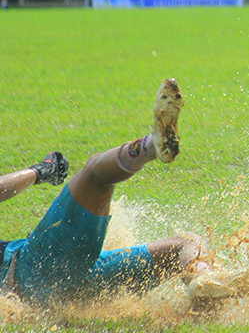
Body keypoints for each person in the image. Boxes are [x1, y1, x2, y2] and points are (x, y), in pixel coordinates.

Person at [0, 79, 229, 304]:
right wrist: (40, 171)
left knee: (184, 244)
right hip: (38, 271)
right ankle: (152, 144)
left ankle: (205, 281)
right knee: (95, 173)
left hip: (73, 289)